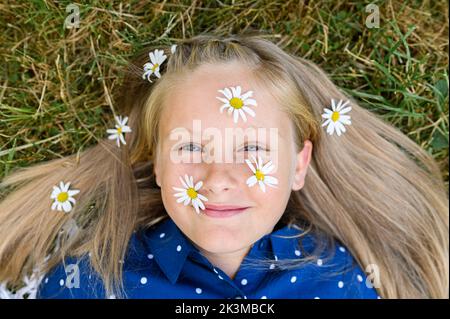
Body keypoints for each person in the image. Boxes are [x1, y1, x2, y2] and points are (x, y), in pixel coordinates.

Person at [0, 33, 447, 299]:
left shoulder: (343, 279)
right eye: (190, 147)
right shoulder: (91, 281)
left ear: (299, 165)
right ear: (155, 162)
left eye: (253, 148)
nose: (218, 180)